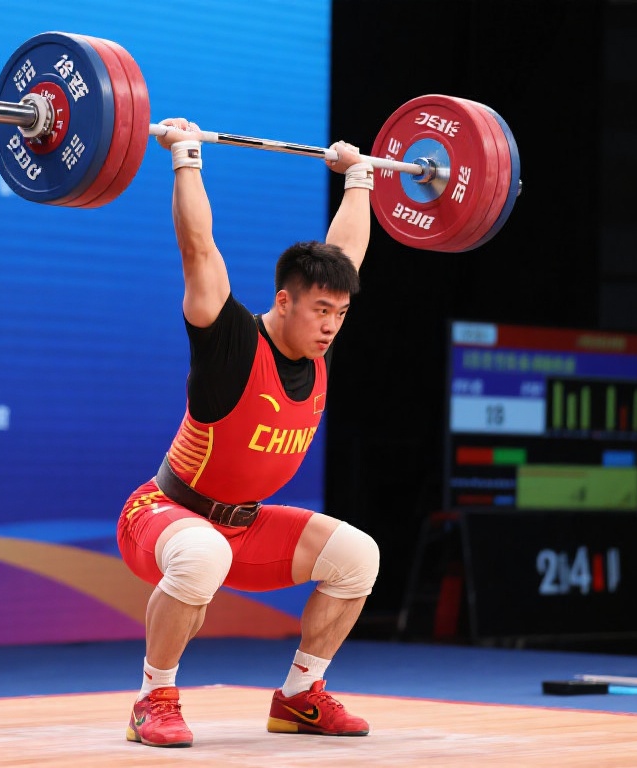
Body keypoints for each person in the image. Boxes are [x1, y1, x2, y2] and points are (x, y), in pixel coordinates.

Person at [116, 116, 379, 749]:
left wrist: (360, 180)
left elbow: (345, 257)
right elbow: (199, 249)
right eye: (321, 310)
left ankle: (299, 697)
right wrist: (186, 157)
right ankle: (153, 698)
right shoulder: (230, 341)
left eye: (341, 313)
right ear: (283, 301)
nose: (331, 325)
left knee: (357, 556)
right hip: (165, 515)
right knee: (203, 555)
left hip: (245, 526)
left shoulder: (316, 348)